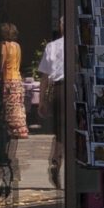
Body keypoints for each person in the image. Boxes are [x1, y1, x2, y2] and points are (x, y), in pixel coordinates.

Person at [37, 31, 66, 185]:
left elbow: (44, 77)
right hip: (73, 88)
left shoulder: (52, 46)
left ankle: (56, 160)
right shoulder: (78, 45)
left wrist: (42, 100)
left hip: (58, 89)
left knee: (61, 130)